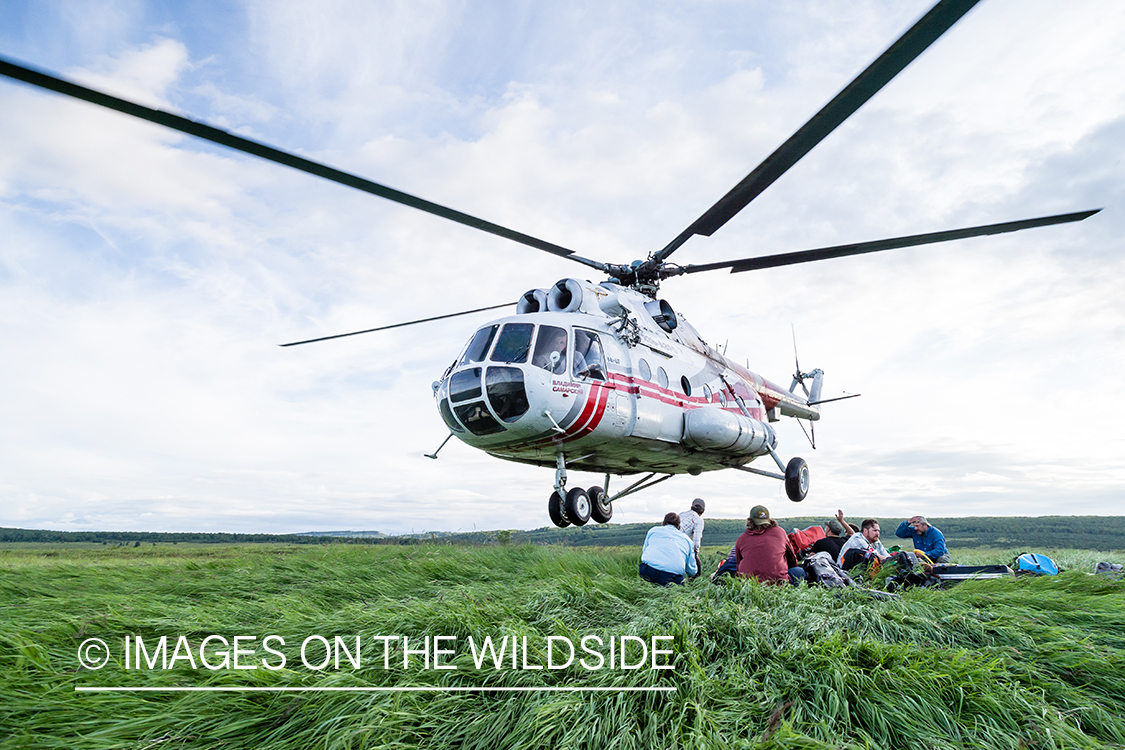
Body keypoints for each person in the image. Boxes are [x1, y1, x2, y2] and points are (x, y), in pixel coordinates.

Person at [735, 505, 805, 586]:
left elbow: (738, 566)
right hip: (778, 584)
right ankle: (794, 595)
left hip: (750, 587)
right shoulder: (780, 532)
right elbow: (792, 560)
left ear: (750, 521)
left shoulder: (741, 539)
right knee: (799, 571)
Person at [639, 512, 697, 586]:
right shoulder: (688, 541)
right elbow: (692, 571)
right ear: (679, 528)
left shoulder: (653, 531)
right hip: (672, 577)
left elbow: (644, 552)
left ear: (662, 524)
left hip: (648, 571)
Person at [678, 498, 706, 578]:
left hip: (671, 543)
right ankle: (694, 585)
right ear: (703, 510)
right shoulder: (698, 520)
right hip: (682, 546)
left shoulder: (681, 514)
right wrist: (695, 555)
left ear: (691, 507)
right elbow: (696, 543)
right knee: (697, 569)